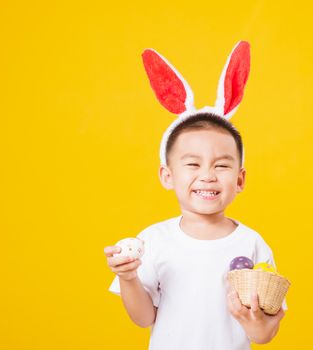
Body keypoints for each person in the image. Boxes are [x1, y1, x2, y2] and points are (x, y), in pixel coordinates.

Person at [103, 42, 287, 349]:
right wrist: (130, 278)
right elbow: (144, 318)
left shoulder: (252, 244)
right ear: (167, 176)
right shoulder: (154, 239)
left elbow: (263, 335)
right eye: (192, 164)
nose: (207, 175)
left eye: (222, 165)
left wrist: (255, 323)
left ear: (240, 179)